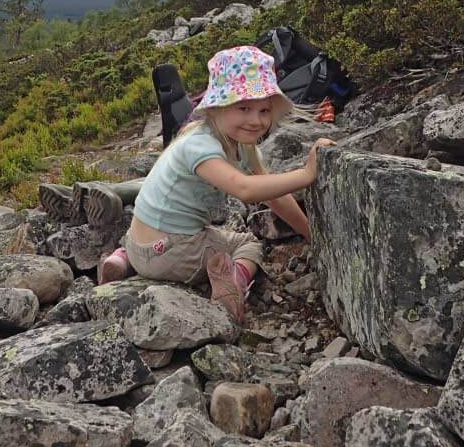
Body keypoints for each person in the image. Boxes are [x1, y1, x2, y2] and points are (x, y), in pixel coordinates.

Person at [98, 45, 334, 323]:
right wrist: (307, 174)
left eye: (264, 110)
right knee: (248, 245)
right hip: (171, 252)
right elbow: (245, 189)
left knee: (162, 221)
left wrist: (309, 233)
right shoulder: (202, 147)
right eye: (244, 107)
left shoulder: (209, 137)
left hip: (139, 242)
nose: (256, 120)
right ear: (217, 107)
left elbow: (273, 193)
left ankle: (122, 259)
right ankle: (234, 279)